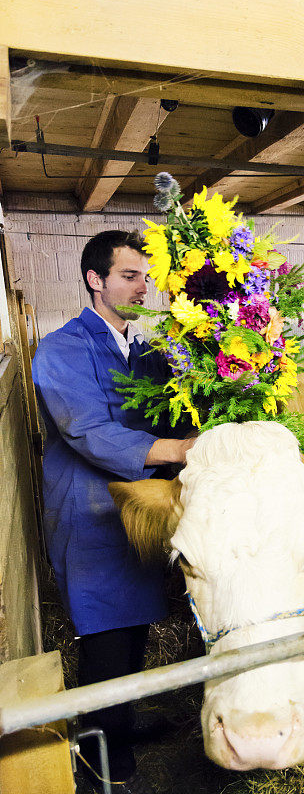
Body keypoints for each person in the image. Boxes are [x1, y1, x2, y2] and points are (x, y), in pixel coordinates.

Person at [33, 230, 194, 794]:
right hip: (89, 510)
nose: (141, 287)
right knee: (104, 632)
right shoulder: (60, 349)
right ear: (94, 279)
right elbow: (86, 429)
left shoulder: (146, 351)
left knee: (138, 625)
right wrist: (177, 451)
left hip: (141, 508)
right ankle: (100, 756)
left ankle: (119, 726)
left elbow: (174, 414)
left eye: (146, 277)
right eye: (129, 276)